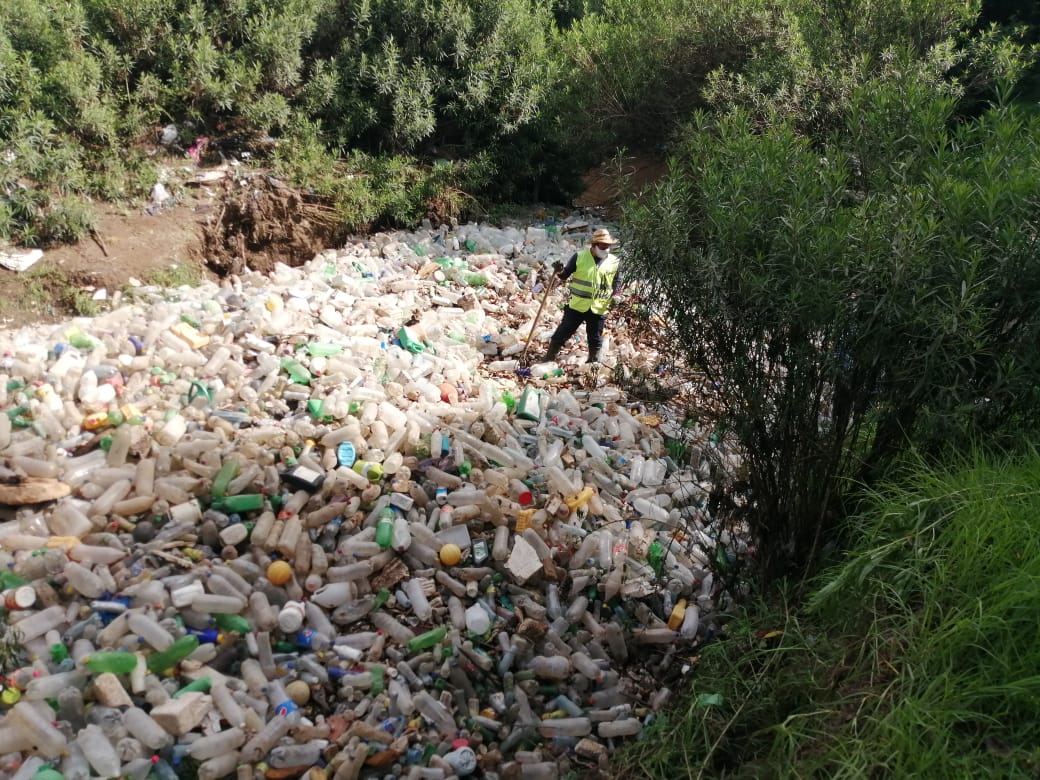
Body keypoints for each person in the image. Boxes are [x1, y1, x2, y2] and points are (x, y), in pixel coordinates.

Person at [543, 228, 621, 364]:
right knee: (562, 332)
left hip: (599, 307)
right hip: (577, 305)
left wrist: (616, 295)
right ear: (594, 245)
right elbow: (565, 275)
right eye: (603, 246)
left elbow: (617, 281)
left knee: (595, 338)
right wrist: (559, 270)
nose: (606, 249)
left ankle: (592, 363)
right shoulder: (579, 257)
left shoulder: (614, 261)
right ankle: (549, 357)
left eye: (608, 246)